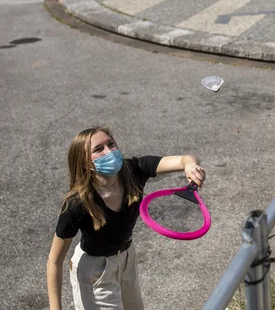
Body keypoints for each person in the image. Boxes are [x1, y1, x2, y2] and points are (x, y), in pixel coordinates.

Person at [46, 127, 206, 310]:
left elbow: (185, 159)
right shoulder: (77, 204)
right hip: (95, 271)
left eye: (111, 144)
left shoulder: (134, 170)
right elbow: (54, 261)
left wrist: (191, 166)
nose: (110, 152)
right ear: (84, 163)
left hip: (126, 258)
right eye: (99, 149)